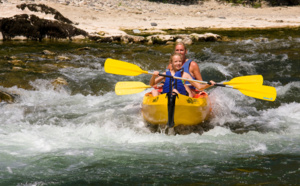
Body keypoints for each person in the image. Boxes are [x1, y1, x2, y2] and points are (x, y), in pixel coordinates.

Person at [150, 53, 214, 97]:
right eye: (176, 61)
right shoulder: (165, 74)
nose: (178, 63)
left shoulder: (185, 75)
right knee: (154, 91)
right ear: (171, 63)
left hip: (181, 99)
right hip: (166, 98)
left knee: (175, 91)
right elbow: (152, 84)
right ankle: (157, 109)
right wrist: (154, 76)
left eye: (180, 61)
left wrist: (208, 84)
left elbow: (199, 87)